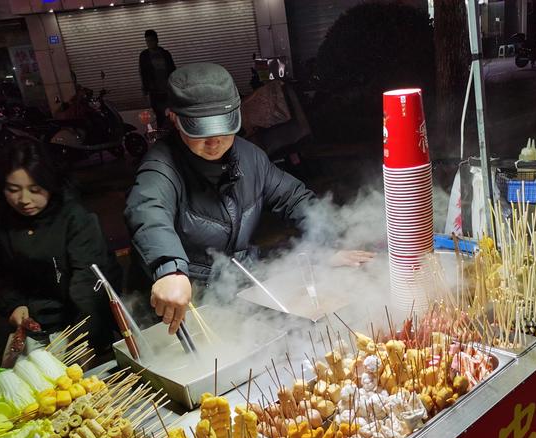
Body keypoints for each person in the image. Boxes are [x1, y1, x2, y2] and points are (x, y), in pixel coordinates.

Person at [125, 63, 373, 334]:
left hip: (237, 289)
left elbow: (295, 198)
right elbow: (148, 211)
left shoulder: (250, 158)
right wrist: (170, 269)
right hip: (185, 307)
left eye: (223, 127)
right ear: (173, 118)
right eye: (201, 130)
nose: (214, 141)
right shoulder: (161, 166)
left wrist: (328, 244)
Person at [0, 140, 122, 351]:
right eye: (13, 189)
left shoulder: (75, 218)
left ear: (50, 184)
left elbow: (88, 287)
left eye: (35, 189)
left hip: (77, 321)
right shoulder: (0, 221)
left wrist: (83, 343)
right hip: (32, 324)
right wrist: (14, 304)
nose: (24, 199)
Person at [139, 30, 176, 129]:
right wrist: (145, 89)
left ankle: (173, 132)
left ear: (156, 40)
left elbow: (172, 69)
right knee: (159, 115)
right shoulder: (144, 56)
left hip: (167, 88)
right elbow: (143, 73)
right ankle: (163, 134)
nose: (149, 43)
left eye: (151, 41)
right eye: (147, 41)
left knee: (172, 113)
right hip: (154, 90)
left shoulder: (165, 54)